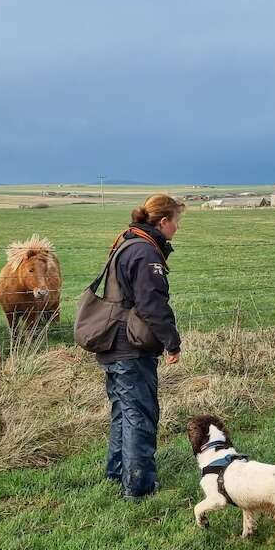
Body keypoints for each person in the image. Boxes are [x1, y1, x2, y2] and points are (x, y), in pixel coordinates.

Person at [98, 193, 184, 500]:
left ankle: (117, 472)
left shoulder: (128, 241)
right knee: (140, 413)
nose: (177, 228)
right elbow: (152, 305)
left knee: (123, 410)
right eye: (176, 222)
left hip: (113, 342)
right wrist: (171, 342)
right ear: (163, 221)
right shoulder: (146, 252)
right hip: (130, 346)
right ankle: (138, 486)